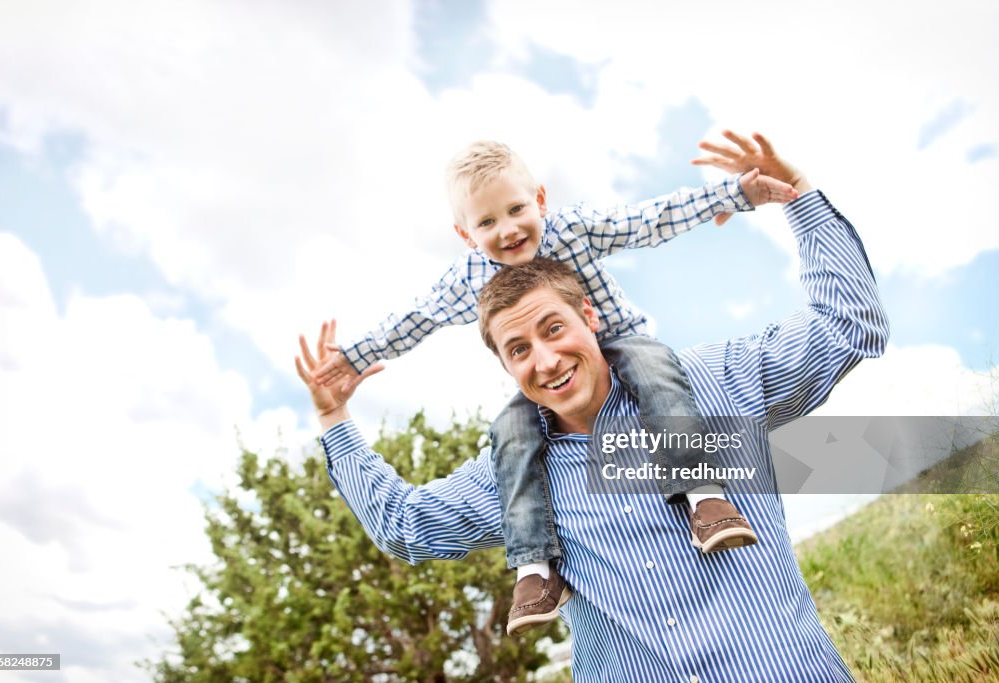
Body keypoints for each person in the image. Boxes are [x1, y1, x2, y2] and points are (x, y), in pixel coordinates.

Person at [296, 131, 890, 681]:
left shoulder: (714, 387)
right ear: (503, 364)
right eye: (520, 348)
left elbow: (846, 324)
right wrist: (335, 413)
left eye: (555, 329)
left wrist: (793, 197)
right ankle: (536, 572)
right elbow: (406, 525)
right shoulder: (517, 466)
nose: (547, 360)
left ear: (589, 316)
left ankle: (706, 500)